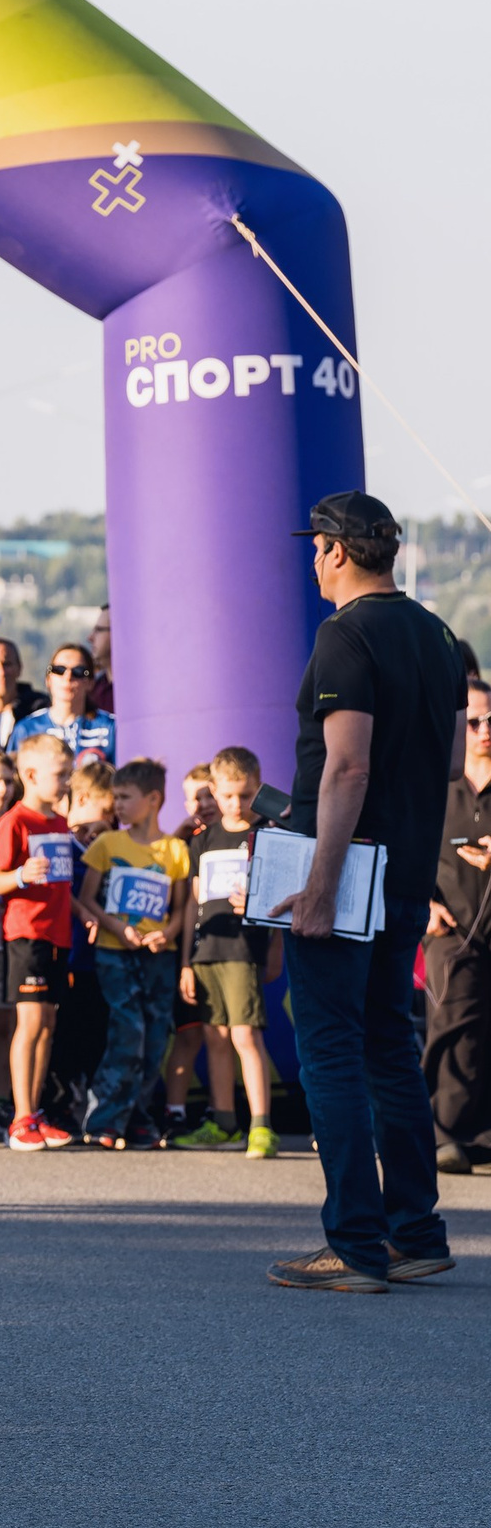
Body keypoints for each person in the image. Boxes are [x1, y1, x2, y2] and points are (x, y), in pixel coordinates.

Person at [264, 493, 464, 1292]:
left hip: (349, 872)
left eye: (316, 547)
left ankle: (353, 1243)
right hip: (411, 866)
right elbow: (449, 762)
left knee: (331, 1048)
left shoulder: (344, 634)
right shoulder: (443, 634)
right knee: (388, 1042)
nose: (312, 559)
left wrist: (320, 883)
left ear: (338, 552)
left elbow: (348, 766)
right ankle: (416, 1231)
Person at [75, 757, 188, 1149]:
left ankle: (137, 1116)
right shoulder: (108, 844)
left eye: (125, 797)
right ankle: (104, 1118)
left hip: (160, 956)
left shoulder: (174, 849)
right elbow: (86, 900)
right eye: (115, 797)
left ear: (153, 799)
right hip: (114, 953)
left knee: (156, 1036)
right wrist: (117, 928)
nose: (117, 805)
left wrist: (166, 934)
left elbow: (179, 910)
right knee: (128, 1031)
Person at [178, 746, 277, 1157]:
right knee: (215, 1037)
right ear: (213, 791)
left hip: (244, 950)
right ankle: (224, 1122)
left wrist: (276, 950)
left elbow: (280, 897)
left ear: (258, 788)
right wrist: (185, 961)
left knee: (244, 1036)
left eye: (247, 794)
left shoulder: (269, 834)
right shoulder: (202, 841)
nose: (237, 803)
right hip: (206, 953)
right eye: (229, 795)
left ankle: (261, 1126)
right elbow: (192, 904)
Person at [0, 731, 78, 1152]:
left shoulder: (60, 823)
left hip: (59, 935)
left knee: (50, 1025)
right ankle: (20, 1117)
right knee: (30, 1024)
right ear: (30, 774)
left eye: (68, 775)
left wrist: (86, 916)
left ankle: (35, 1113)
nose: (65, 783)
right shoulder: (14, 821)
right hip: (27, 935)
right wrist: (22, 875)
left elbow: (64, 885)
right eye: (59, 775)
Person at [429, 676, 491, 1177]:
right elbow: (404, 852)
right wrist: (425, 906)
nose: (484, 730)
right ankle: (445, 1132)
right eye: (473, 722)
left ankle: (482, 1134)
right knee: (453, 1027)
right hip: (451, 932)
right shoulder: (436, 787)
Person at [7, 643, 117, 764]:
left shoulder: (111, 727)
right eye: (59, 670)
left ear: (90, 682)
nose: (68, 677)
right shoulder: (26, 729)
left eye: (78, 672)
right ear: (48, 679)